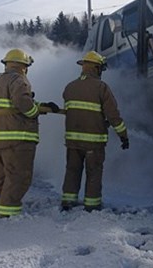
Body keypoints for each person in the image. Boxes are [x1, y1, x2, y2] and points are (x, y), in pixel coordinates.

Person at [0, 49, 59, 218]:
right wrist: (34, 112)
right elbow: (22, 103)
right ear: (23, 66)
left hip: (0, 138)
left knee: (1, 178)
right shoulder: (19, 79)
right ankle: (8, 214)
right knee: (18, 177)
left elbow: (17, 103)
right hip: (17, 138)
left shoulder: (1, 80)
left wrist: (43, 105)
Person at [61, 51, 129, 212]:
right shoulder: (101, 87)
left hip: (72, 141)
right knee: (93, 173)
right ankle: (91, 206)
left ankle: (67, 202)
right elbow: (113, 116)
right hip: (94, 142)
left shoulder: (69, 87)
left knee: (72, 171)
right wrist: (123, 136)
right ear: (97, 68)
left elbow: (73, 111)